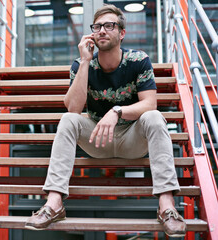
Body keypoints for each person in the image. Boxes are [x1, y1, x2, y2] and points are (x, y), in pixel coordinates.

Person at [24, 4, 187, 238]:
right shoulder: (81, 64)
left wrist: (117, 111)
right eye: (97, 26)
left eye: (109, 25)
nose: (102, 30)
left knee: (153, 116)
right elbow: (73, 108)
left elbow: (149, 103)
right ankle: (54, 203)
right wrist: (83, 62)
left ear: (121, 33)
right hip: (97, 140)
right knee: (68, 120)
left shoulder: (138, 61)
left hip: (133, 139)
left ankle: (167, 206)